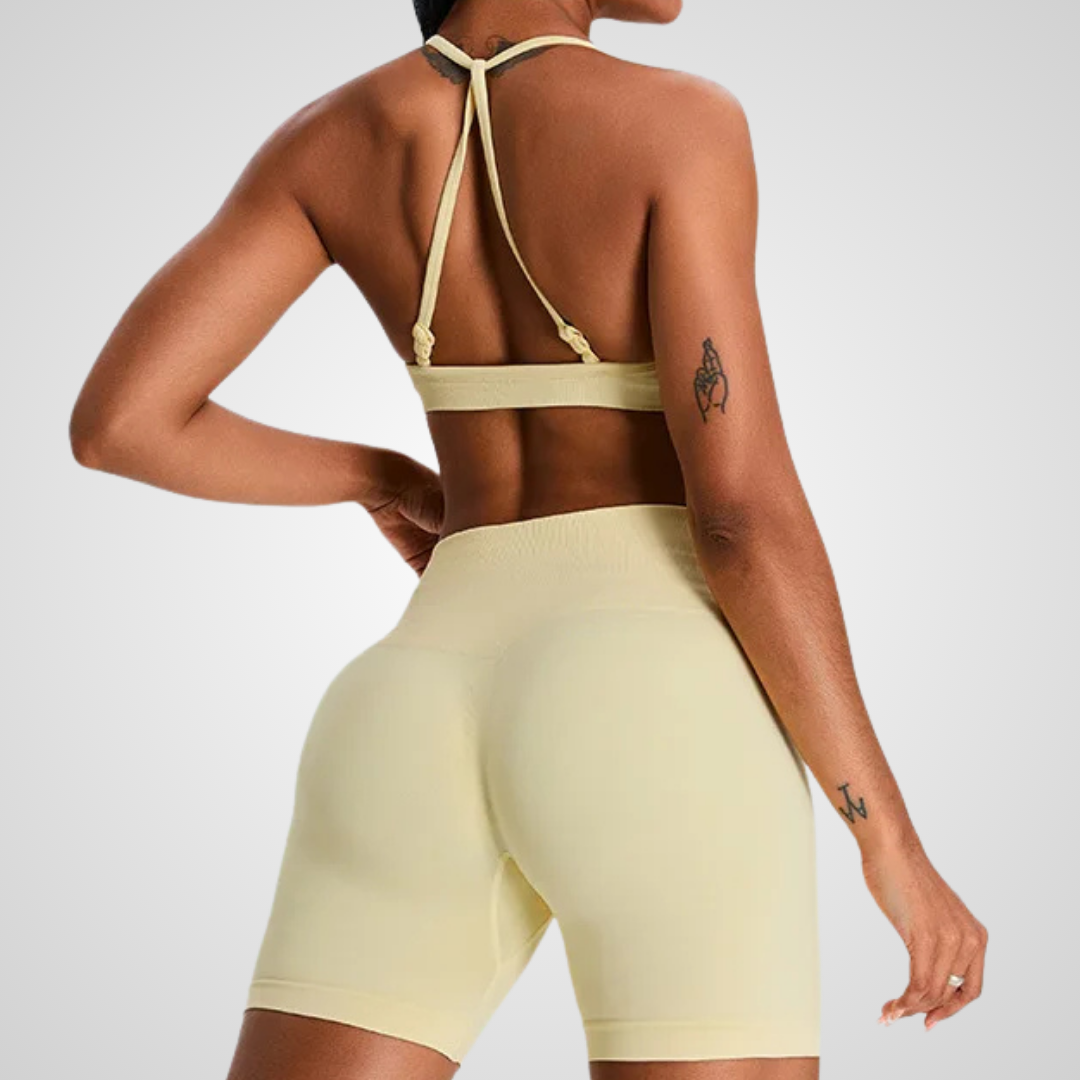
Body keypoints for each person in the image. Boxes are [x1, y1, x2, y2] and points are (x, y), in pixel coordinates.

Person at [68, 1, 987, 1077]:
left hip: (411, 698)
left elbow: (120, 424)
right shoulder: (680, 122)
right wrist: (889, 841)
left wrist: (384, 479)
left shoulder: (329, 139)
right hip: (655, 697)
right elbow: (738, 519)